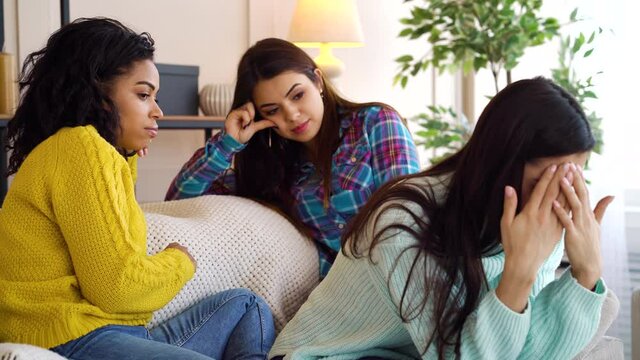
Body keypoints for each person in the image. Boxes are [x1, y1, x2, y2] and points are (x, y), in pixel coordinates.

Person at [269, 77, 613, 359]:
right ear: (500, 165)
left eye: (571, 181)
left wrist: (585, 275)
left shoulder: (541, 221)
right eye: (545, 182)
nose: (559, 199)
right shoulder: (403, 221)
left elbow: (528, 354)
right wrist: (519, 274)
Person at [0, 17, 274, 360]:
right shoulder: (79, 148)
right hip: (70, 337)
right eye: (143, 95)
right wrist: (180, 261)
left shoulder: (92, 153)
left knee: (246, 306)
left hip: (115, 332)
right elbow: (118, 289)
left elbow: (111, 238)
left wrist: (125, 156)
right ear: (98, 95)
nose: (157, 110)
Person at [166, 38, 420, 278]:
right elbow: (179, 200)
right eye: (273, 110)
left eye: (298, 95)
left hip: (401, 274)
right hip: (339, 296)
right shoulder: (273, 171)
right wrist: (228, 142)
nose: (292, 115)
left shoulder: (375, 122)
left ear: (318, 81)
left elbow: (406, 215)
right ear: (259, 116)